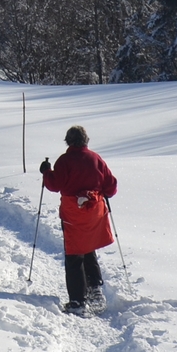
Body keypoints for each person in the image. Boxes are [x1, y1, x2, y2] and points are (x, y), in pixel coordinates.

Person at [38, 125, 118, 314]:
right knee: (89, 247)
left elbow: (54, 185)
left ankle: (77, 301)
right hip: (94, 212)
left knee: (74, 254)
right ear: (86, 140)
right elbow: (111, 188)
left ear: (68, 141)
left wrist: (46, 172)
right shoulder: (95, 159)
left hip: (73, 213)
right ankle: (95, 289)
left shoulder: (65, 161)